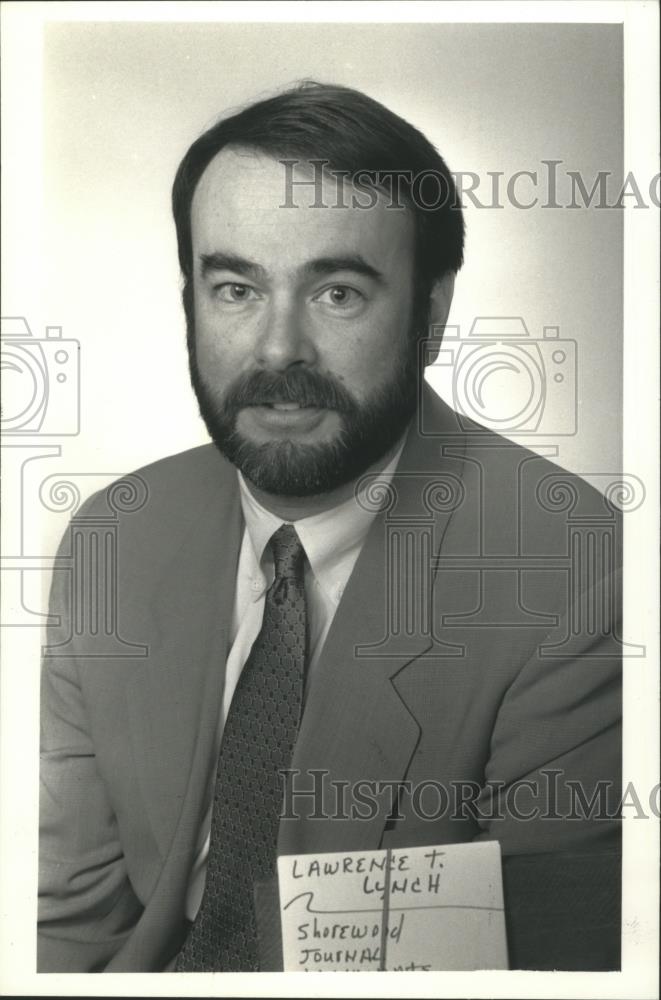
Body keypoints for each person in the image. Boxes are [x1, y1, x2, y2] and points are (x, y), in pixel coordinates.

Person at [38, 82, 622, 974]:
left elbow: (554, 964)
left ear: (430, 314)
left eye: (338, 293)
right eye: (234, 287)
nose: (277, 351)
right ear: (189, 299)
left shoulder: (576, 571)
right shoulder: (114, 535)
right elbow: (66, 920)